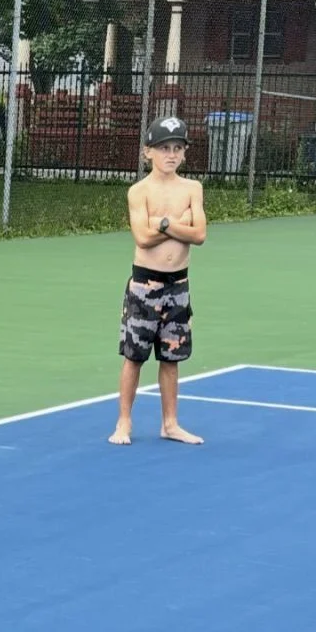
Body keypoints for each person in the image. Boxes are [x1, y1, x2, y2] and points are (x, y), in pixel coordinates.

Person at [110, 115, 208, 447]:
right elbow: (141, 237)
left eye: (177, 148)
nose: (171, 154)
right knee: (134, 356)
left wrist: (163, 222)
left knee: (171, 359)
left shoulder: (193, 188)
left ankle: (171, 424)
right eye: (164, 148)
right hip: (144, 286)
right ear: (147, 152)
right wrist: (178, 223)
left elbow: (200, 235)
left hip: (178, 287)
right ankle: (123, 422)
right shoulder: (139, 191)